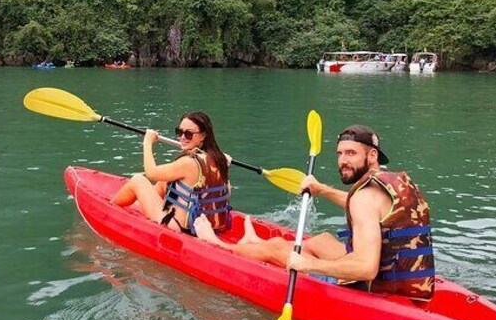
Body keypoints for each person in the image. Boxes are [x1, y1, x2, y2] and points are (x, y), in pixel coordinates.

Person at [195, 125, 435, 301]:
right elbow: (366, 210)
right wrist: (322, 190)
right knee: (322, 240)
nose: (342, 160)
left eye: (351, 153)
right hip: (402, 276)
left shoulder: (364, 196)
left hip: (375, 284)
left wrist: (309, 264)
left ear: (372, 155)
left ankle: (219, 245)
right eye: (340, 154)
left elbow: (366, 268)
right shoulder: (391, 182)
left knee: (278, 247)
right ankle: (254, 243)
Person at [111, 112, 231, 236]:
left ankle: (109, 208)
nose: (182, 137)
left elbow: (151, 173)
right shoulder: (221, 160)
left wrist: (147, 142)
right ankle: (142, 202)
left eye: (188, 134)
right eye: (180, 132)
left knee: (138, 180)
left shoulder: (188, 163)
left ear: (203, 136)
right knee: (165, 180)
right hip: (208, 228)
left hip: (178, 227)